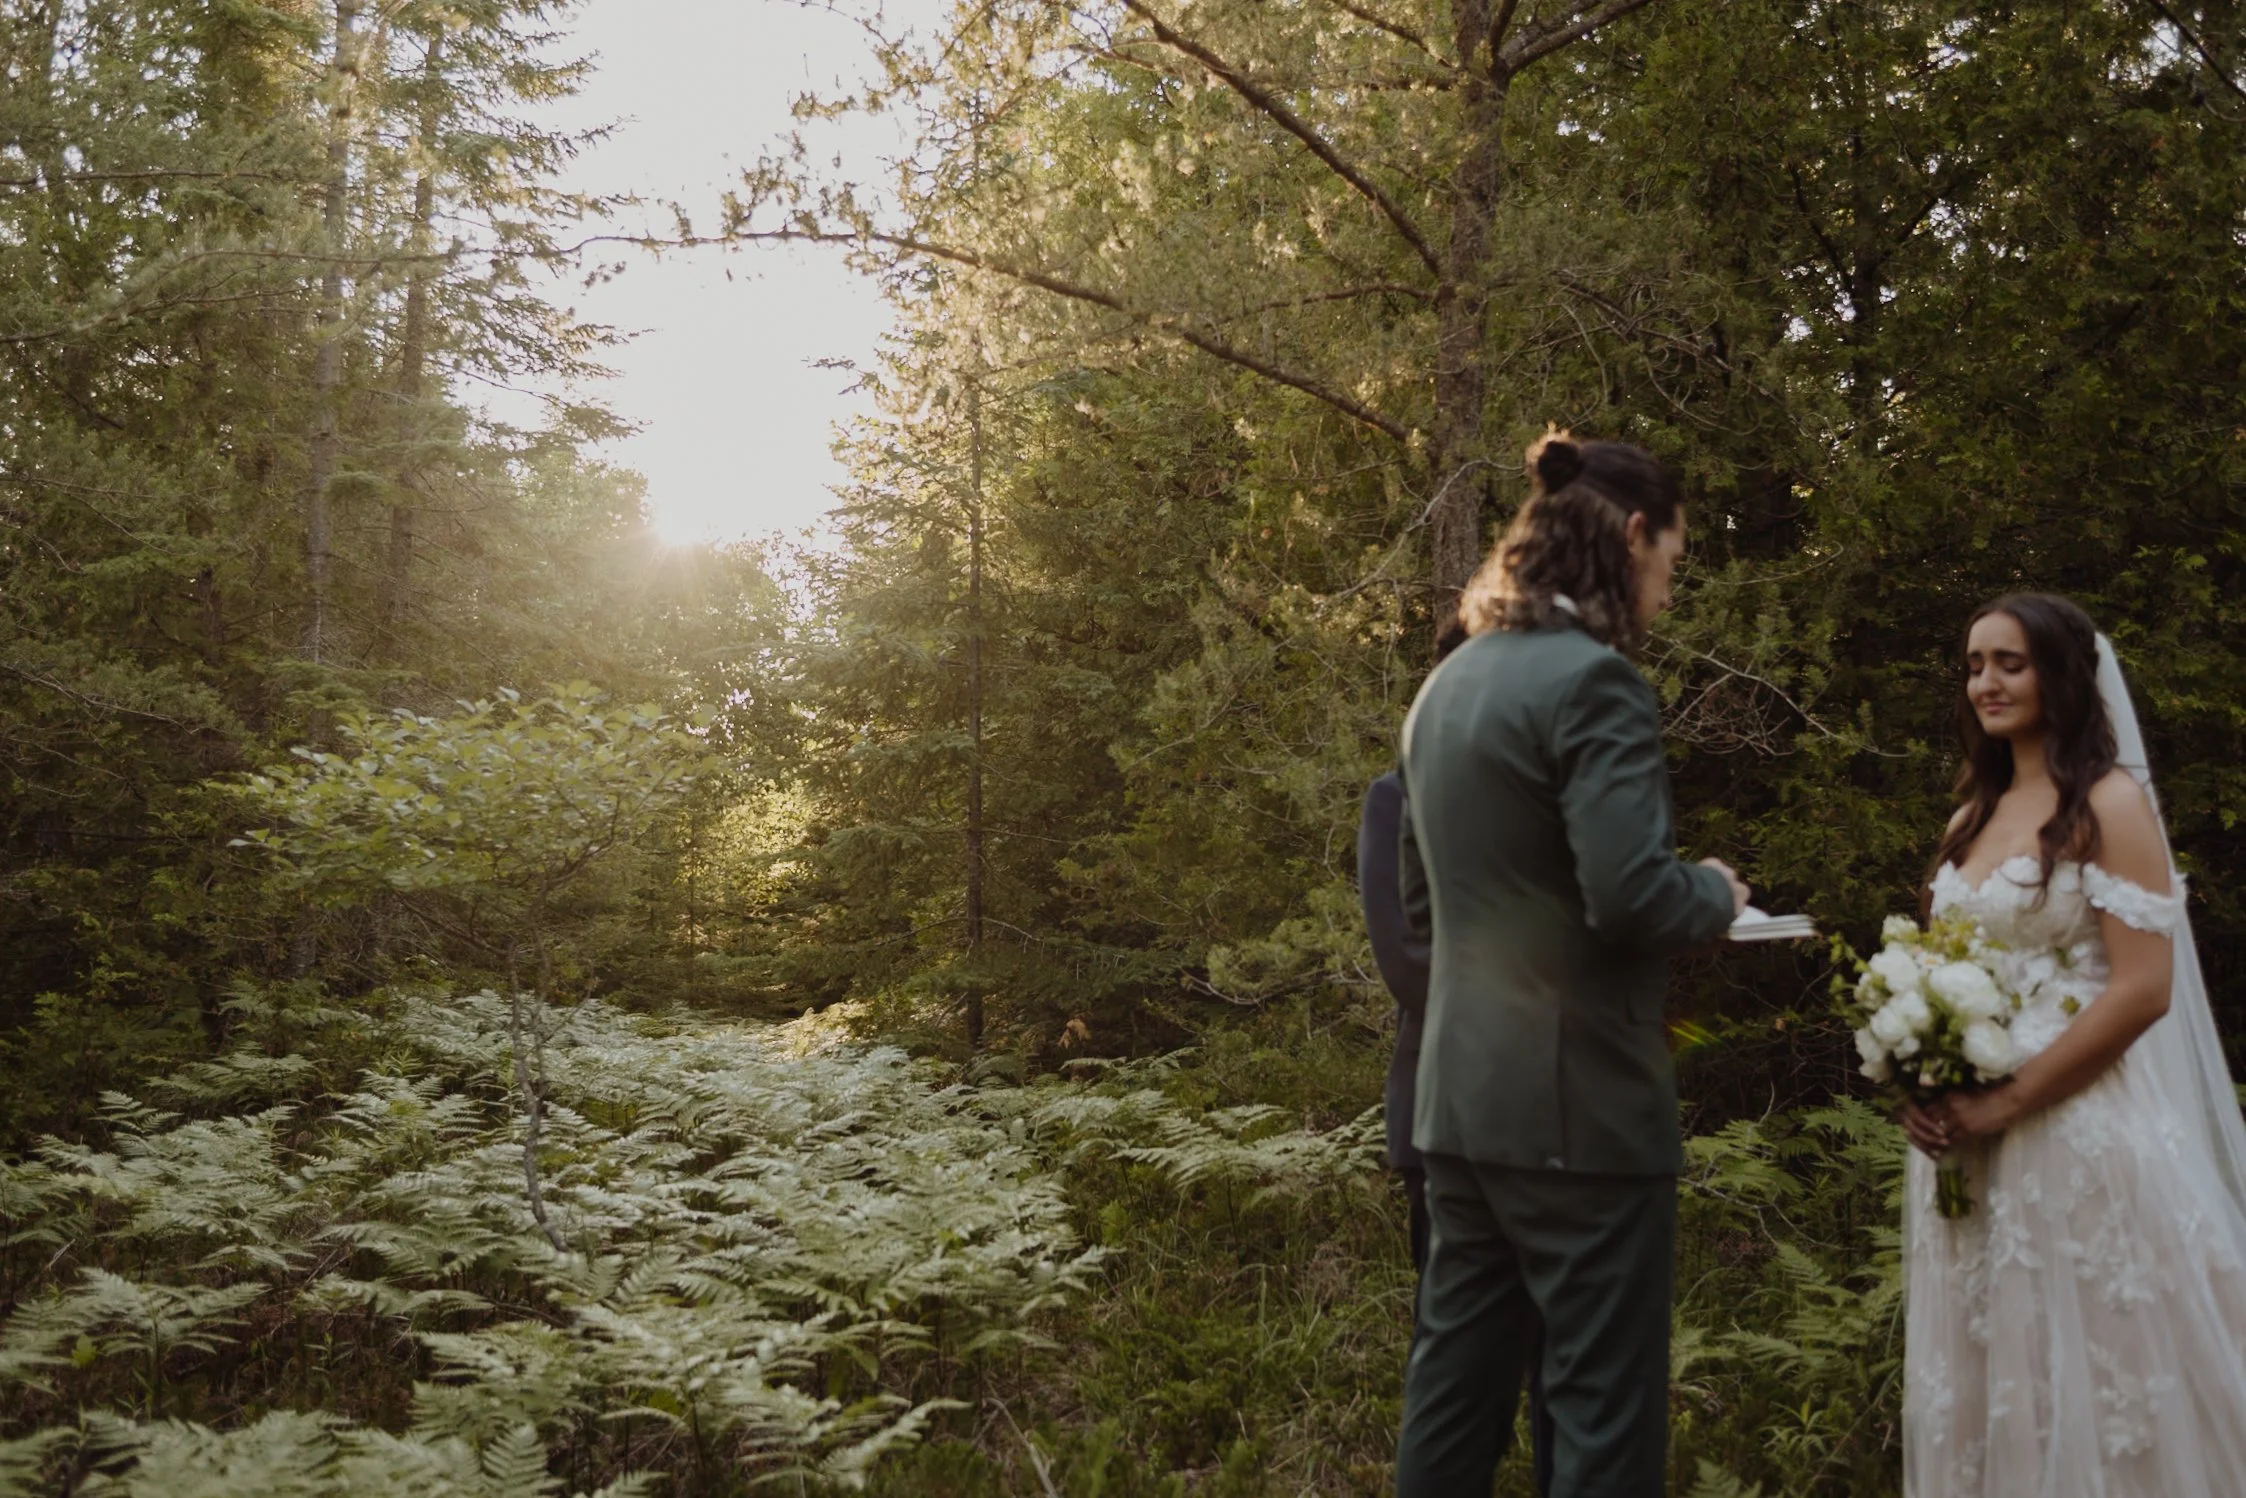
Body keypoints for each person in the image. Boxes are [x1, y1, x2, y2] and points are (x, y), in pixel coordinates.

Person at [1392, 431, 1748, 1497]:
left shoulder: (1446, 686)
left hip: (1457, 1108)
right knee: (1602, 1413)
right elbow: (1631, 894)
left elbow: (1422, 906)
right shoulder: (1596, 685)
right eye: (1671, 561)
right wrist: (1715, 893)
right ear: (1632, 536)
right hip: (1583, 1115)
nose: (1668, 592)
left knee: (1452, 1402)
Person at [1897, 593, 2246, 1496]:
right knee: (1992, 1383)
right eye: (1975, 665)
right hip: (1966, 1149)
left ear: (2060, 674)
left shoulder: (2110, 802)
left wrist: (2010, 1100)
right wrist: (1916, 1080)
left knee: (2102, 1380)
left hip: (2074, 1134)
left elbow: (2143, 988)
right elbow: (1935, 980)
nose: (1986, 682)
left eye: (2009, 663)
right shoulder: (1970, 818)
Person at [1359, 620, 1556, 1497]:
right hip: (1447, 1119)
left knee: (1564, 1371)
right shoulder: (1395, 797)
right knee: (1462, 1376)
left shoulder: (1553, 798)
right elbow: (1407, 961)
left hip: (1561, 1124)